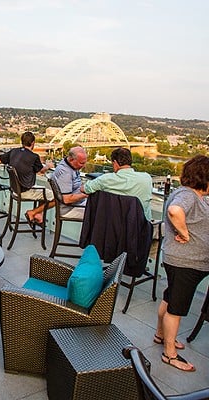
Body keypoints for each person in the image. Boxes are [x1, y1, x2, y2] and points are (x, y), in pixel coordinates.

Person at [154, 155, 209, 372]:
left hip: (180, 260)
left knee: (170, 298)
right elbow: (175, 211)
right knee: (176, 309)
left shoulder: (190, 194)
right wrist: (184, 233)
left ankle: (161, 335)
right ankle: (170, 354)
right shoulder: (188, 196)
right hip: (186, 262)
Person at [0, 131, 54, 225]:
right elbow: (41, 171)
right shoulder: (34, 157)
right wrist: (48, 166)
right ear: (33, 143)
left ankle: (37, 215)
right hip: (25, 191)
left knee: (44, 192)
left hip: (14, 190)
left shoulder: (13, 151)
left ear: (21, 142)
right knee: (55, 198)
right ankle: (33, 212)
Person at [82, 147, 152, 221]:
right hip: (141, 227)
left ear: (115, 163)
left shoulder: (106, 179)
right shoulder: (146, 178)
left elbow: (84, 189)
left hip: (115, 226)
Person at [50, 146, 89, 220]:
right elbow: (67, 199)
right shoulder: (65, 173)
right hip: (70, 209)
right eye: (81, 163)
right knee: (101, 213)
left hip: (79, 204)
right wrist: (86, 194)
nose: (83, 166)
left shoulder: (70, 165)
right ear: (71, 159)